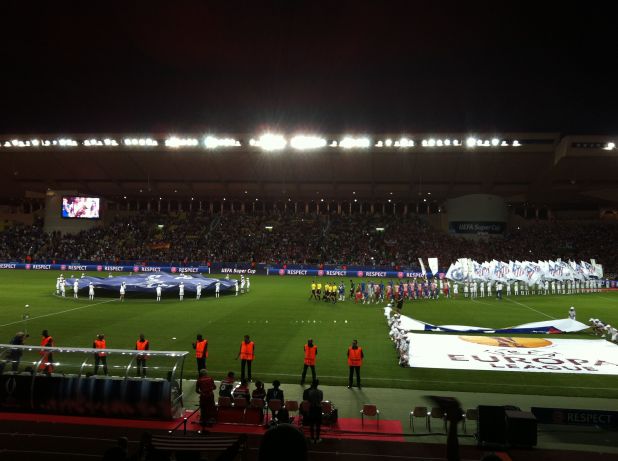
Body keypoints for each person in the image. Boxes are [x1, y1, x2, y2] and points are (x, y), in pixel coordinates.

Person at [302, 379, 324, 444]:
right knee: (318, 424)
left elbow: (308, 400)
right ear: (317, 384)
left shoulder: (310, 392)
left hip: (312, 408)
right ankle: (317, 438)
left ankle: (312, 438)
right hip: (318, 409)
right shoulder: (320, 392)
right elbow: (321, 399)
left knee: (311, 424)